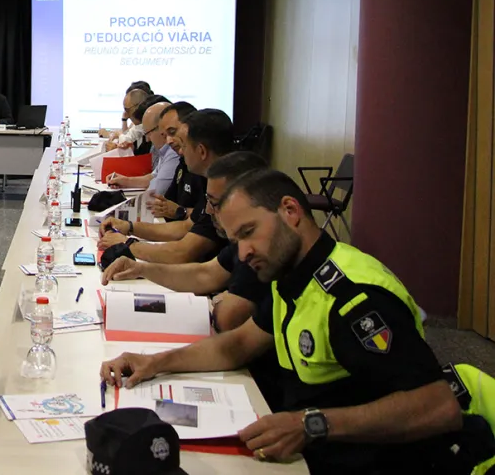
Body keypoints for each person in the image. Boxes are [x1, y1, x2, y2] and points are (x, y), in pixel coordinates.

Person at [100, 169, 495, 474]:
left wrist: (312, 424)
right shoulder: (289, 272)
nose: (244, 252)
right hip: (317, 444)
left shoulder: (354, 299)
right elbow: (239, 344)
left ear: (290, 212)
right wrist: (155, 362)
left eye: (249, 232)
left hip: (381, 458)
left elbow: (437, 407)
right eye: (236, 241)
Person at [101, 151, 270, 332]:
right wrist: (141, 269)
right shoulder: (239, 240)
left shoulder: (259, 248)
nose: (208, 210)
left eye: (214, 203)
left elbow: (227, 318)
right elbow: (204, 274)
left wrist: (130, 244)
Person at [98, 109, 236, 264]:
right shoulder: (214, 178)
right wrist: (129, 226)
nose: (180, 151)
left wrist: (126, 243)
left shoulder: (228, 187)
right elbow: (185, 227)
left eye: (184, 145)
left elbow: (182, 253)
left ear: (201, 151)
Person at [104, 101, 179, 197]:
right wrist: (126, 180)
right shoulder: (165, 150)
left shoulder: (173, 152)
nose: (147, 139)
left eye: (148, 133)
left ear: (162, 129)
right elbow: (153, 176)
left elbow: (157, 191)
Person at [149, 101, 205, 221]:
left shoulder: (205, 168)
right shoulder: (183, 162)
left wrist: (181, 211)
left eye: (172, 132)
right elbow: (167, 202)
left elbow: (207, 217)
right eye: (165, 136)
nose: (168, 141)